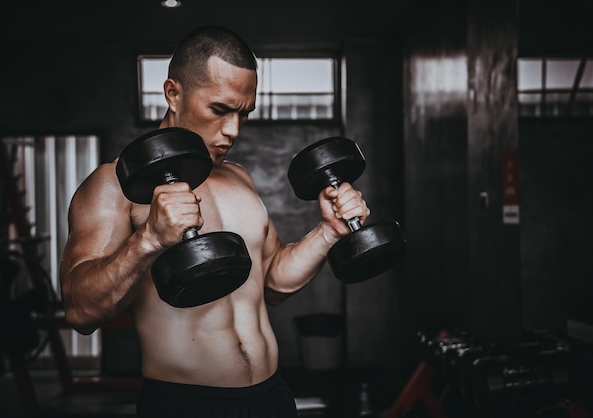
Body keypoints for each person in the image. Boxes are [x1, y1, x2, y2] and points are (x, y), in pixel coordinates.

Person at [59, 25, 370, 418]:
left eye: (243, 114)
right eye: (219, 110)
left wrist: (330, 231)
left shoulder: (239, 178)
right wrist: (149, 240)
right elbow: (79, 312)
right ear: (173, 93)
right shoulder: (113, 184)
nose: (232, 131)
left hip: (272, 395)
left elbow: (272, 281)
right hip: (186, 403)